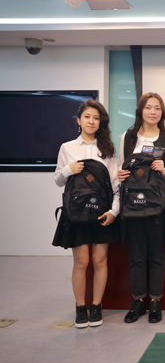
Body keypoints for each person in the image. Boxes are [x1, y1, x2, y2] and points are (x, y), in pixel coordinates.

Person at [54, 99, 119, 328]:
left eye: (96, 118)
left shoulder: (108, 150)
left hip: (103, 213)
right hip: (77, 214)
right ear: (79, 121)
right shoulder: (67, 148)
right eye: (87, 117)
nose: (92, 121)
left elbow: (116, 186)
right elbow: (58, 181)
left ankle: (97, 306)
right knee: (81, 262)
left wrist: (114, 211)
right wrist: (68, 170)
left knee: (100, 260)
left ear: (101, 123)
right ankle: (80, 308)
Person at [118, 92, 165, 324]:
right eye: (148, 107)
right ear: (140, 111)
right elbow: (120, 167)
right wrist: (119, 174)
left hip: (159, 205)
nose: (152, 112)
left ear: (162, 113)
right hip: (132, 204)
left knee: (156, 254)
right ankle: (137, 302)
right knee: (136, 254)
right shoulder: (128, 137)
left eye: (157, 108)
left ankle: (155, 301)